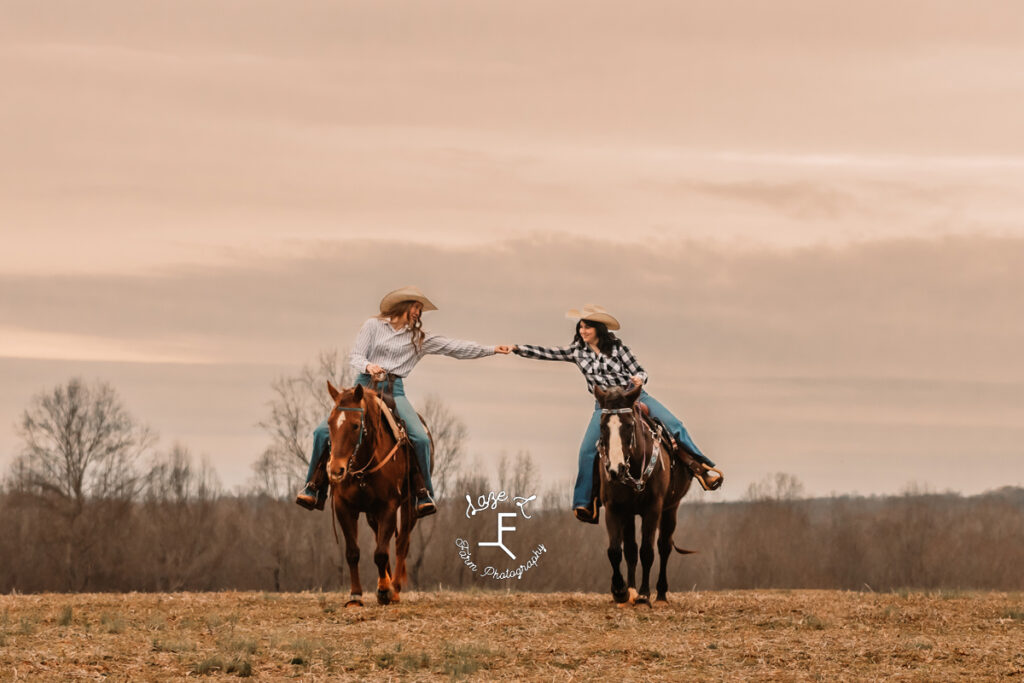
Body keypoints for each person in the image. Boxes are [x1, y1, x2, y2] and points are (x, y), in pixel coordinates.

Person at [296, 286, 513, 517]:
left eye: (420, 309)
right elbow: (356, 356)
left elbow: (454, 347)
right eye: (416, 307)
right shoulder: (373, 326)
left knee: (419, 438)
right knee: (322, 432)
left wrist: (491, 349)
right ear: (403, 306)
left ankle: (423, 493)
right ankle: (314, 487)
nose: (418, 313)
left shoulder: (419, 339)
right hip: (363, 387)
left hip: (393, 391)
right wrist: (369, 366)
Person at [513, 304, 723, 524]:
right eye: (581, 327)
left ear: (598, 329)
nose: (583, 331)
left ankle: (703, 469)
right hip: (605, 406)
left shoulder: (618, 349)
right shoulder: (577, 352)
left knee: (675, 426)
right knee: (586, 451)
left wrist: (639, 380)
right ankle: (585, 502)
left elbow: (639, 370)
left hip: (634, 398)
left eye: (587, 327)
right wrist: (516, 348)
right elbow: (548, 353)